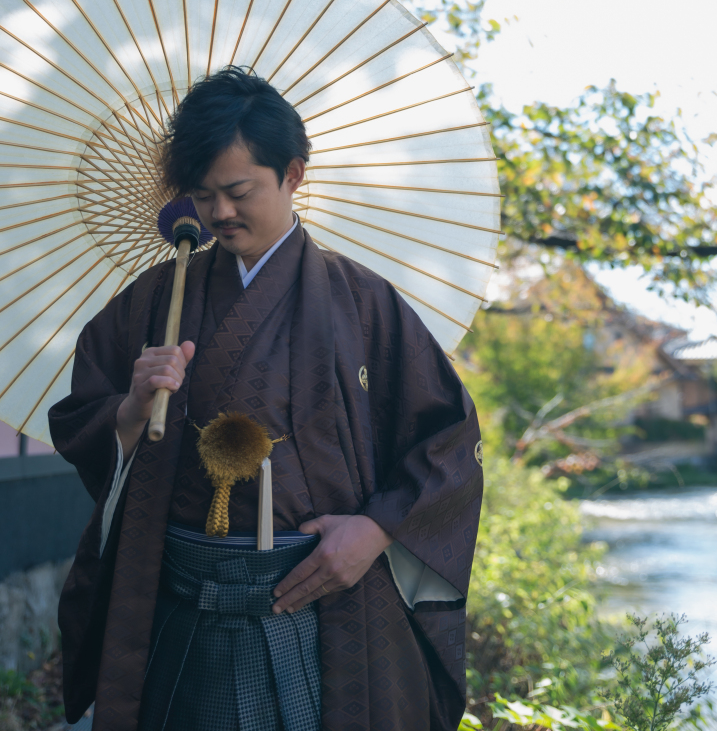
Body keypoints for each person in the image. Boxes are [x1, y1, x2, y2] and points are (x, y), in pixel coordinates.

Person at [50, 67, 483, 731]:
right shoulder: (154, 300)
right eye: (203, 194)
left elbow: (448, 439)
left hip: (317, 601)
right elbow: (81, 417)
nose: (220, 213)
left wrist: (375, 531)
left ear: (293, 175)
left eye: (239, 190)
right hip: (179, 601)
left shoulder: (362, 303)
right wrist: (132, 410)